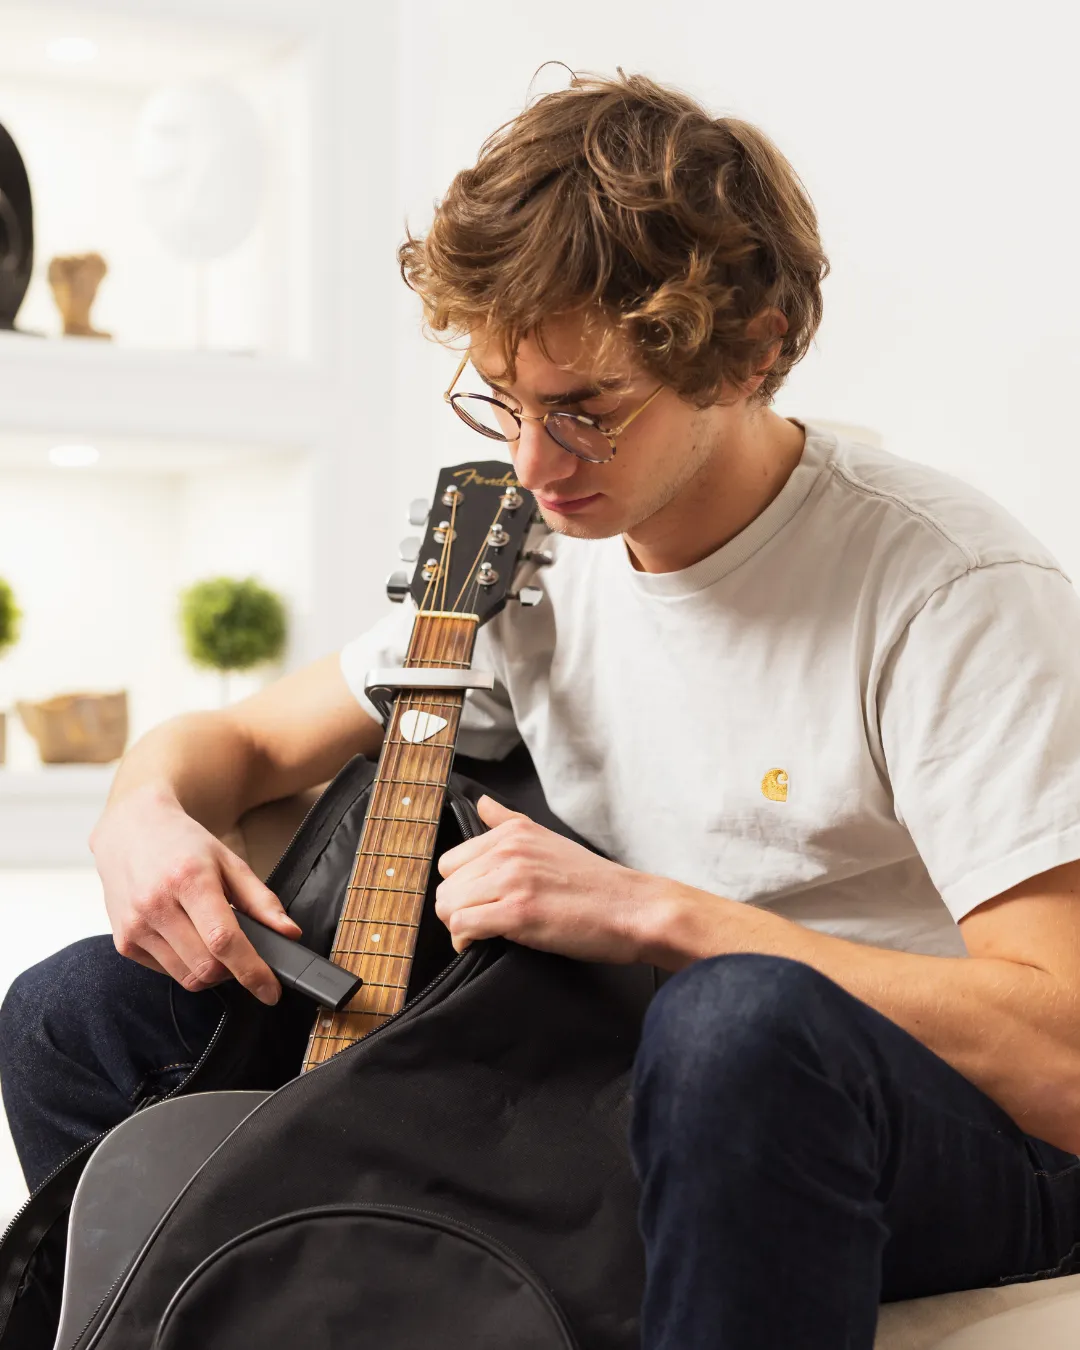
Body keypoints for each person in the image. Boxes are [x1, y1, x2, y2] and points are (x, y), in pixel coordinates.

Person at [4, 70, 1080, 1350]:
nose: (532, 462)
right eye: (500, 402)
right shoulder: (539, 550)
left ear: (758, 348)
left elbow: (1063, 1050)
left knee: (732, 1029)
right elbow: (237, 744)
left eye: (587, 412)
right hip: (622, 1081)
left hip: (935, 1129)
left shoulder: (945, 587)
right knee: (74, 1012)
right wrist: (141, 809)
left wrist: (655, 920)